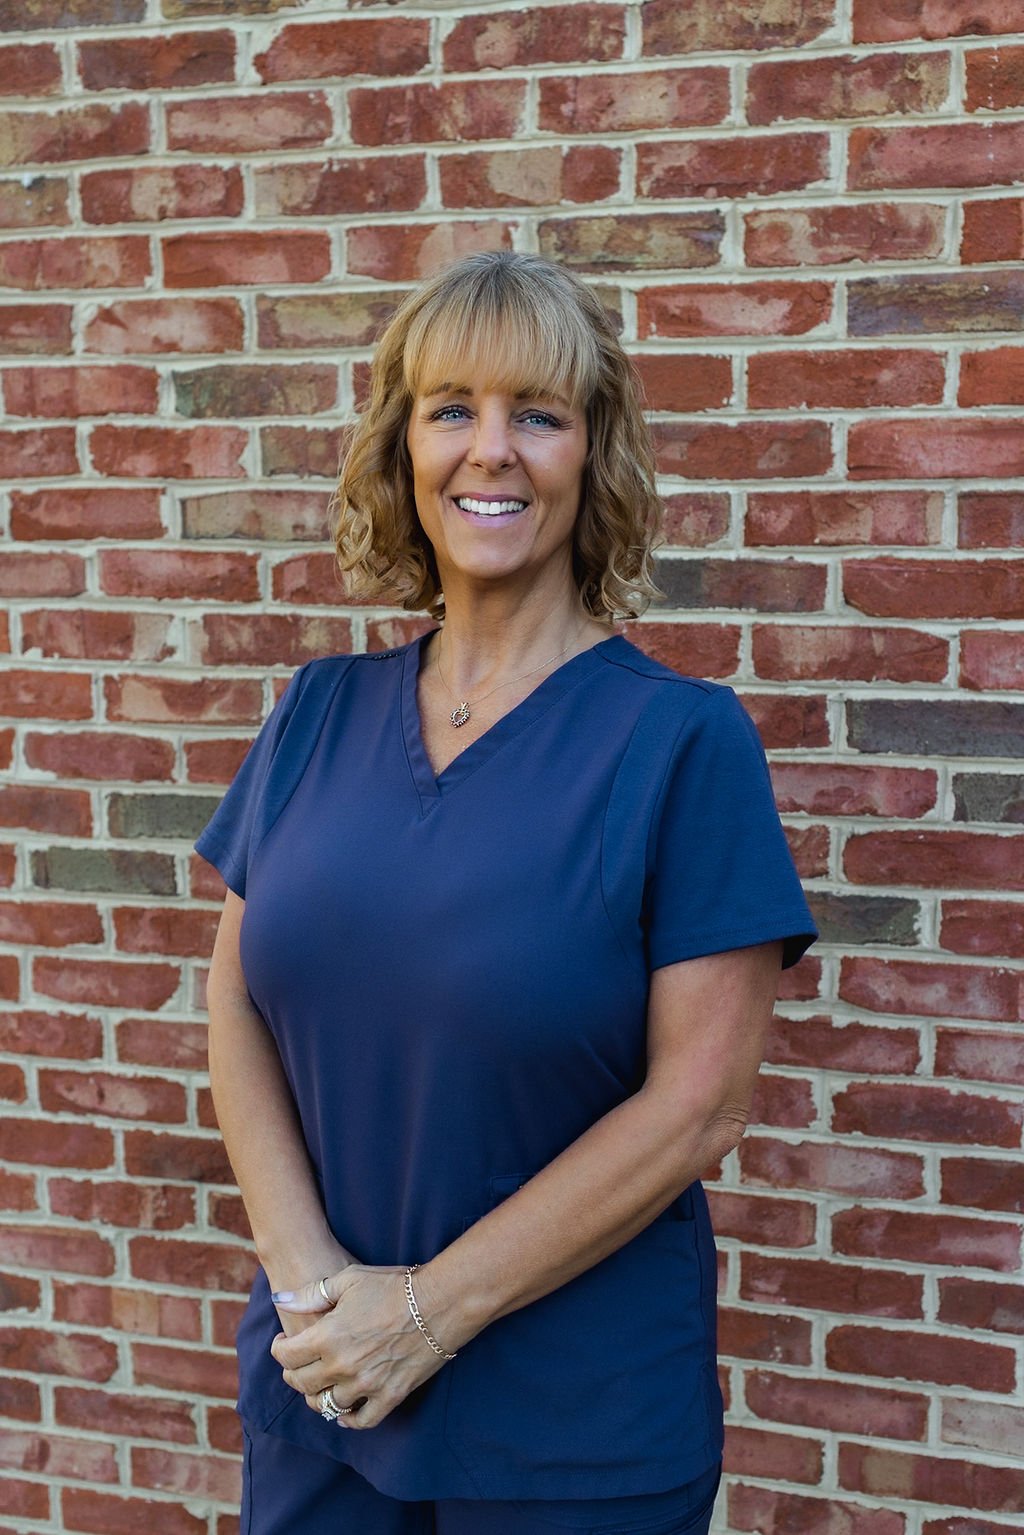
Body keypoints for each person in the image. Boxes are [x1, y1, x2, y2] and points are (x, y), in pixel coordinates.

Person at [194, 250, 816, 1535]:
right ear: (401, 448)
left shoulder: (682, 743)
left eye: (537, 413)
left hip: (567, 1435)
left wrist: (421, 1313)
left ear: (592, 455)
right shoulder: (319, 713)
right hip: (327, 1393)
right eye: (451, 409)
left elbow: (697, 1106)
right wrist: (312, 1286)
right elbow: (238, 1000)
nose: (492, 450)